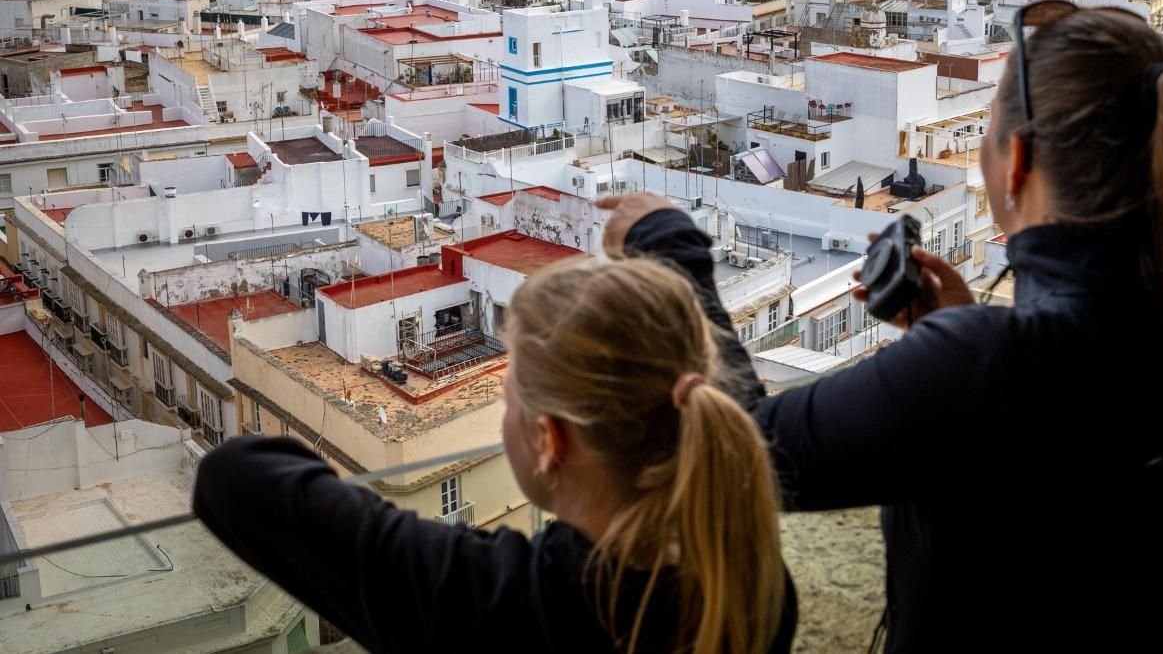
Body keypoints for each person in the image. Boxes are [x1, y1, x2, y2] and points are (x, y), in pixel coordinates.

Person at [604, 4, 1163, 653]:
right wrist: (961, 337)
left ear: (1016, 165)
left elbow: (739, 451)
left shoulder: (995, 366)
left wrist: (672, 250)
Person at [193, 257, 796, 654]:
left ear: (548, 440)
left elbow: (231, 478)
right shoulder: (750, 576)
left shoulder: (509, 605)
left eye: (508, 397)